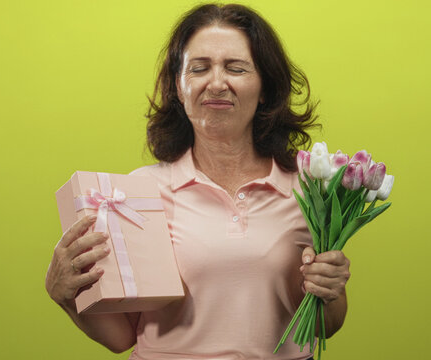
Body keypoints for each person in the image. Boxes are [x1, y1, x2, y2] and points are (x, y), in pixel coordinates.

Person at [45, 4, 351, 359]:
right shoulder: (136, 195)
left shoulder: (309, 188)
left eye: (235, 68)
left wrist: (331, 290)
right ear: (178, 86)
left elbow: (324, 325)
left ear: (265, 86)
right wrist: (66, 296)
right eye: (199, 68)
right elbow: (122, 336)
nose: (216, 83)